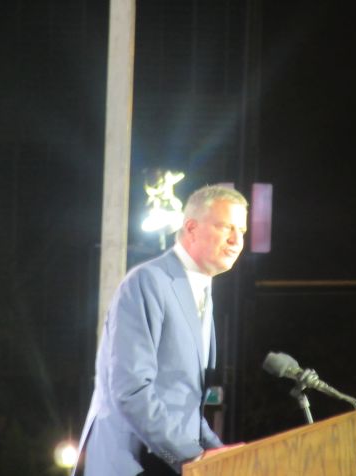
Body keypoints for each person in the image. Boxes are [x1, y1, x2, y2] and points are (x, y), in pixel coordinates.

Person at [74, 184, 248, 476]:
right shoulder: (148, 281)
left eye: (242, 230)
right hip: (128, 464)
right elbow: (131, 390)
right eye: (226, 227)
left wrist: (222, 455)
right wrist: (191, 457)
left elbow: (184, 407)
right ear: (191, 228)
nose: (236, 240)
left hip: (163, 463)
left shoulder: (202, 293)